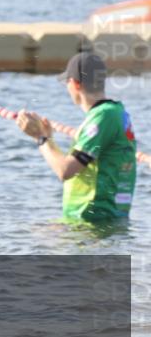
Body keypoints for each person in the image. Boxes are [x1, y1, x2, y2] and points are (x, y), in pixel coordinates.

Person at [17, 52, 137, 222]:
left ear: (75, 84)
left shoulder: (104, 116)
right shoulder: (113, 112)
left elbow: (65, 170)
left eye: (67, 82)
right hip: (96, 221)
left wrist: (41, 138)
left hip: (93, 222)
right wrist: (48, 136)